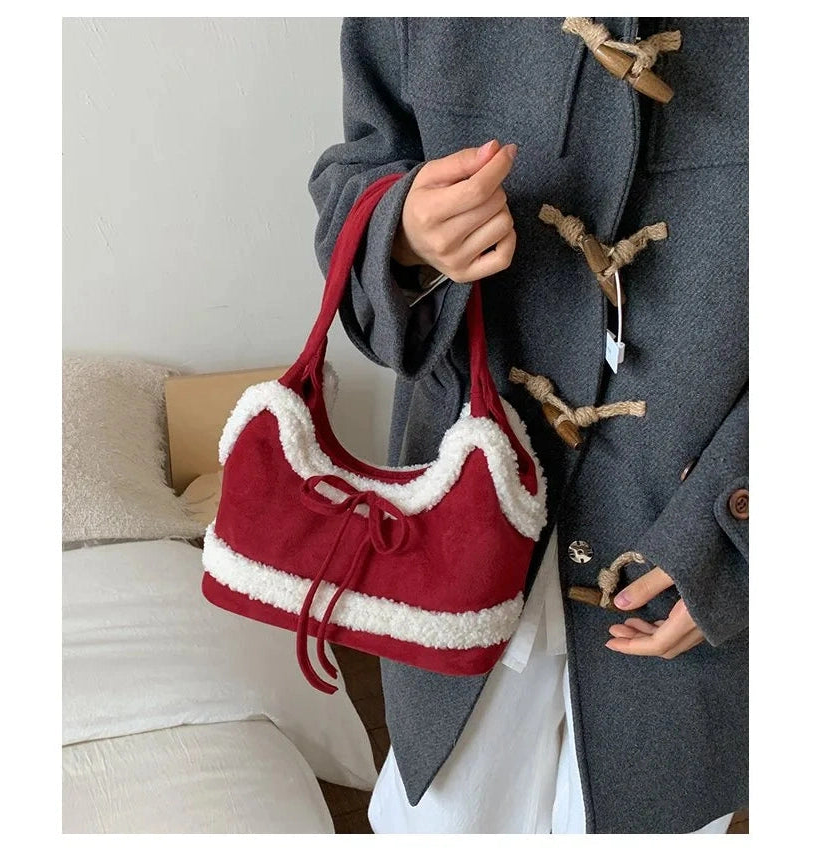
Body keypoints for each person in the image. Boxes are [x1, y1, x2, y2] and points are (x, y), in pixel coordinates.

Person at [308, 17, 748, 834]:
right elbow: (361, 172)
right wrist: (404, 234)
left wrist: (736, 525)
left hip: (681, 557)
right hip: (461, 533)